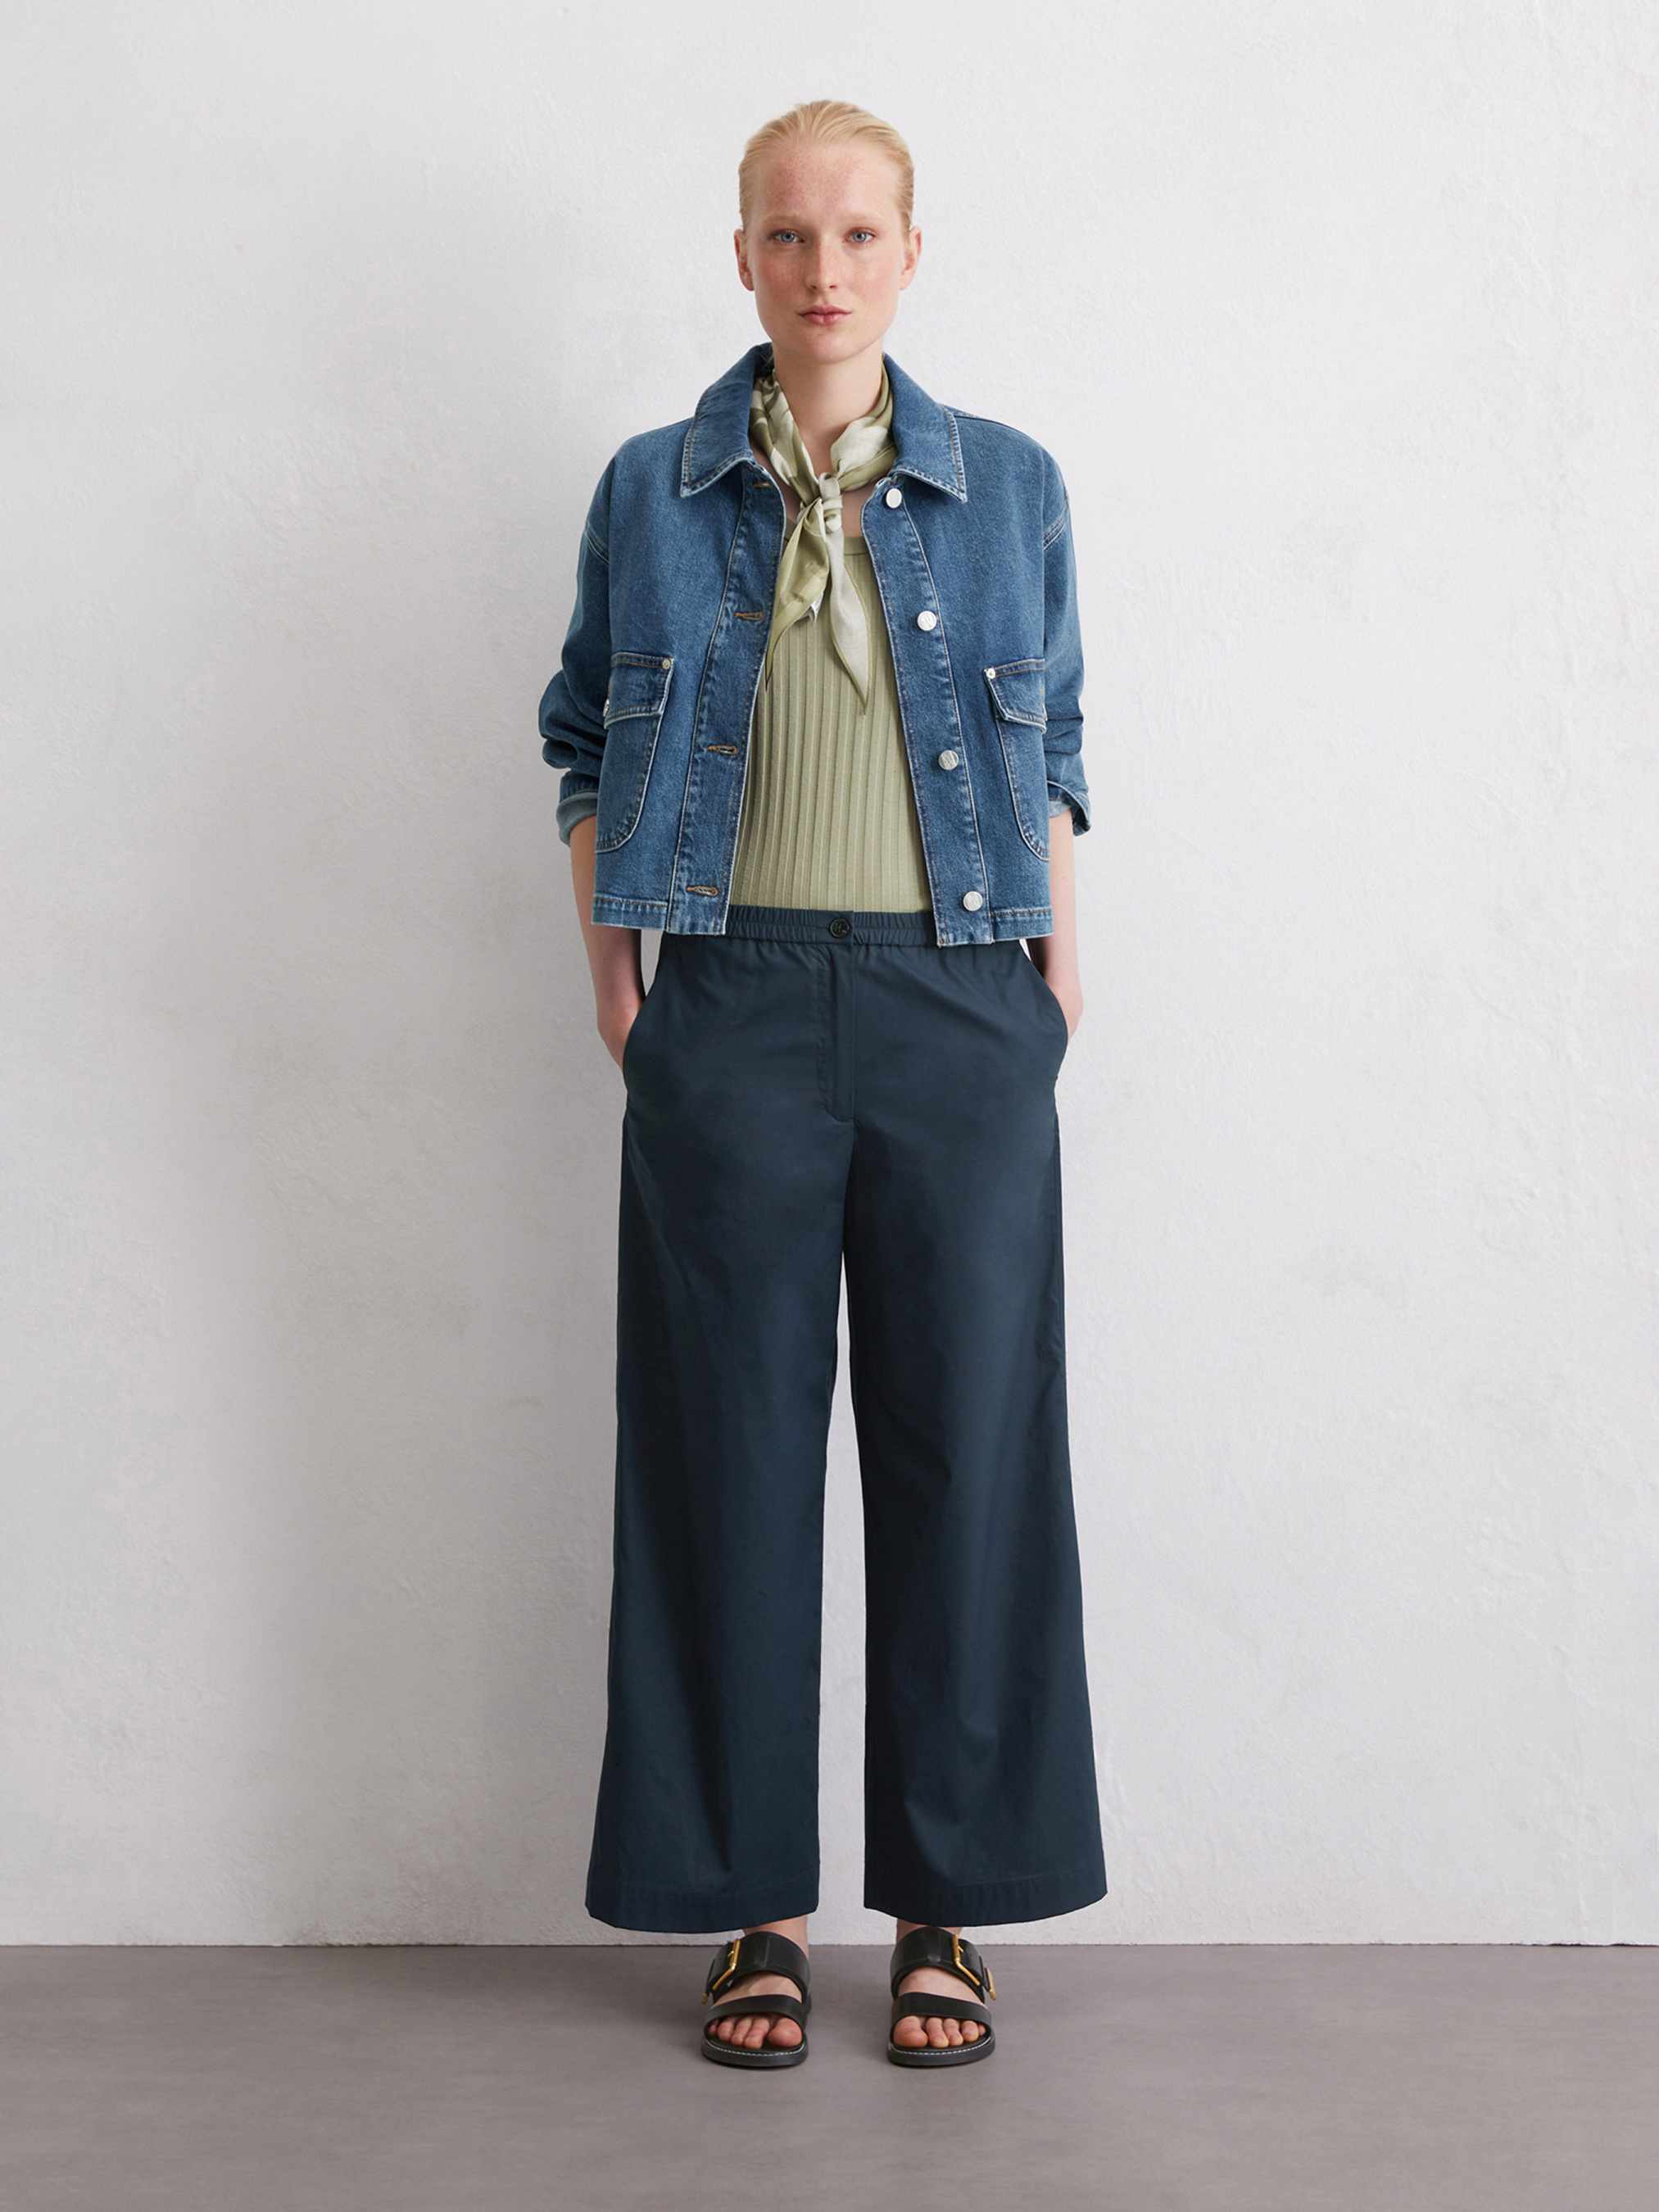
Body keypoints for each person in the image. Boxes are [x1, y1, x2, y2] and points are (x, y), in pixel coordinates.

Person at [539, 98, 1106, 2071]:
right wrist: (620, 987)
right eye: (787, 234)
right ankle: (753, 1915)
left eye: (857, 233)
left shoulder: (1010, 483)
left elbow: (1056, 747)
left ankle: (944, 1906)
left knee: (971, 1447)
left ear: (908, 255)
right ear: (742, 258)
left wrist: (1050, 980)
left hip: (960, 1006)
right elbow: (582, 738)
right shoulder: (652, 486)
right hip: (732, 1004)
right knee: (724, 1454)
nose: (822, 268)